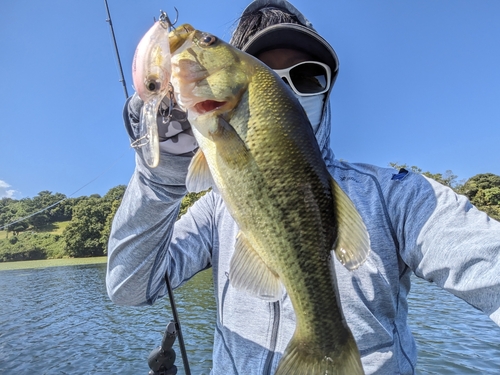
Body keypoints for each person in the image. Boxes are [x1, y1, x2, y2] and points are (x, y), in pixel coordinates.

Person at [106, 1, 500, 374]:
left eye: (308, 75)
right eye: (269, 73)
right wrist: (160, 177)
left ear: (328, 92)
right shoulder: (215, 209)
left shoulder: (395, 196)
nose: (289, 88)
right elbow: (129, 286)